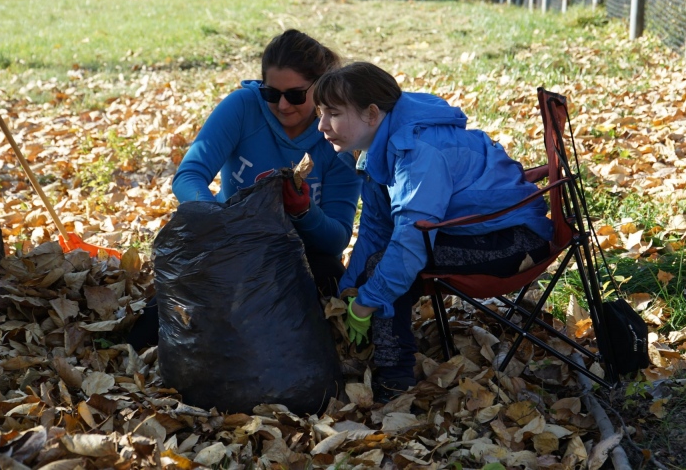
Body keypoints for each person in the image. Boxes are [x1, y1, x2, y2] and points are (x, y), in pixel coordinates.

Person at [313, 62, 554, 402]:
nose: (322, 125)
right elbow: (375, 228)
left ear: (370, 113)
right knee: (378, 265)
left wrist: (367, 302)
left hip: (515, 240)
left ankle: (394, 384)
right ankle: (375, 354)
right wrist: (347, 291)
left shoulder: (417, 152)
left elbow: (409, 243)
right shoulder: (382, 147)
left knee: (387, 264)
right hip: (479, 231)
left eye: (333, 113)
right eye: (320, 113)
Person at [127, 30, 362, 350]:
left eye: (295, 95)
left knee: (331, 281)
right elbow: (189, 174)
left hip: (302, 258)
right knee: (152, 328)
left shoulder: (337, 132)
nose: (282, 105)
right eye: (271, 93)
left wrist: (303, 211)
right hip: (235, 246)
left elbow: (336, 238)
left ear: (320, 88)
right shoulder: (243, 107)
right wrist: (216, 217)